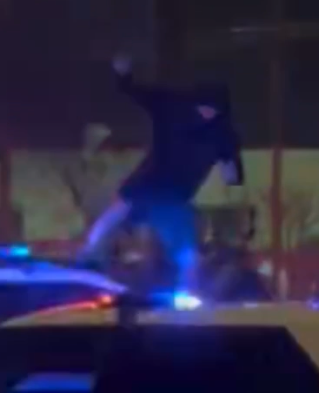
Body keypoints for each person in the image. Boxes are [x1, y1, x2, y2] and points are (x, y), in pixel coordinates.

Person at [79, 54, 246, 294]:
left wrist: (231, 170)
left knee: (182, 241)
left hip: (173, 196)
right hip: (145, 186)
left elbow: (234, 175)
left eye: (213, 111)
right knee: (114, 218)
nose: (207, 114)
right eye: (203, 109)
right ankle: (90, 258)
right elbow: (142, 96)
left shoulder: (222, 135)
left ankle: (188, 284)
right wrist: (124, 77)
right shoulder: (174, 108)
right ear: (194, 104)